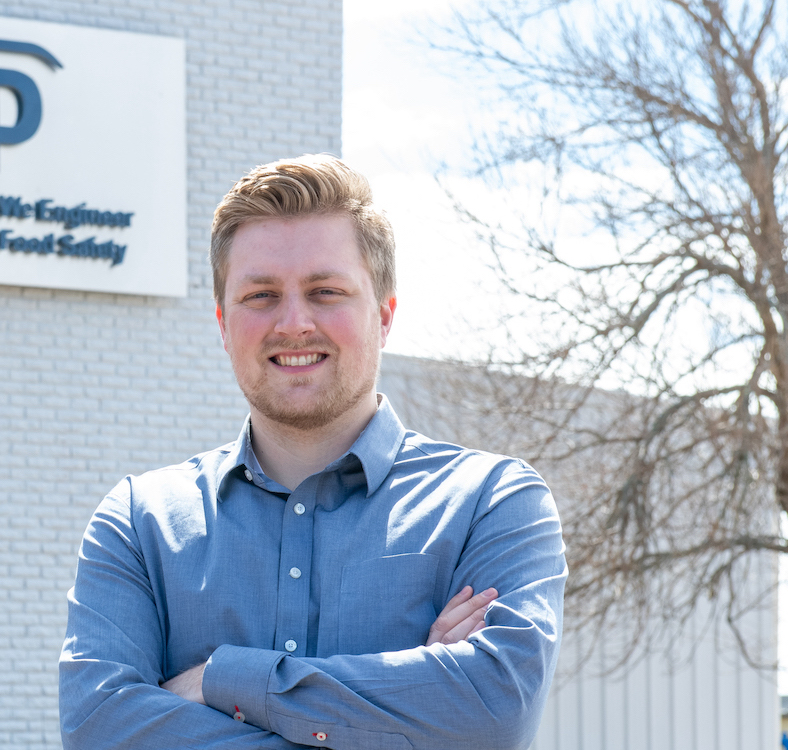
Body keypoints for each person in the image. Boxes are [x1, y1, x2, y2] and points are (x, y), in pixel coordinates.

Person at [58, 154, 567, 749]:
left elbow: (494, 714)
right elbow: (99, 732)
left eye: (325, 291)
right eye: (261, 295)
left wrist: (223, 679)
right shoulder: (139, 525)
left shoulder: (492, 504)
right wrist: (407, 715)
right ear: (223, 323)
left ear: (384, 315)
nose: (294, 323)